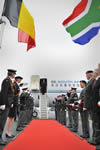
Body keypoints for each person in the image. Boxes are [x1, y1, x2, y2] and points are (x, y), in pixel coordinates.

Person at [0, 69, 16, 145]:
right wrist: (2, 103)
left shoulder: (9, 81)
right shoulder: (6, 81)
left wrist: (11, 103)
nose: (15, 75)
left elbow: (10, 94)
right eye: (14, 74)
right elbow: (3, 93)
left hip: (8, 104)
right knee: (2, 122)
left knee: (3, 121)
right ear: (11, 74)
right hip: (5, 104)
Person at [88, 69, 100, 145]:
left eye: (94, 74)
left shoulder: (98, 81)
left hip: (97, 105)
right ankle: (95, 138)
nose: (93, 75)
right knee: (95, 123)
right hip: (94, 105)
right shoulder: (95, 81)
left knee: (97, 123)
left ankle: (96, 140)